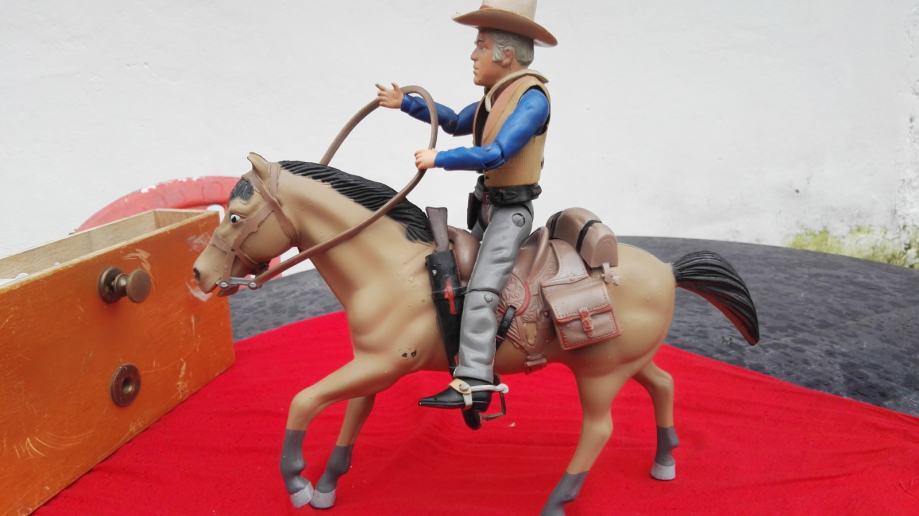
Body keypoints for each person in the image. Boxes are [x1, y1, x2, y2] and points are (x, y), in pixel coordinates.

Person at [377, 0, 557, 412]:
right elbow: (457, 121)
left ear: (506, 54)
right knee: (453, 275)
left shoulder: (531, 100)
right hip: (486, 207)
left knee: (482, 289)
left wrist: (439, 159)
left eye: (481, 45)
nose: (473, 55)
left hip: (510, 213)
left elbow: (497, 153)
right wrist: (406, 103)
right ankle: (465, 354)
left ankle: (474, 382)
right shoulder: (497, 97)